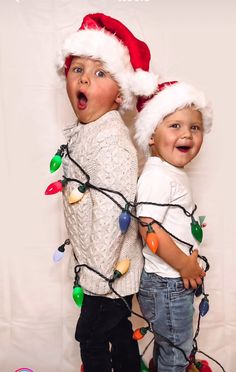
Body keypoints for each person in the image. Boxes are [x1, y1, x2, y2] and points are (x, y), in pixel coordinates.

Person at [56, 13, 158, 372]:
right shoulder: (83, 132)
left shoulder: (111, 143)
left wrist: (96, 278)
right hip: (99, 268)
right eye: (78, 68)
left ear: (119, 96)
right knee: (117, 331)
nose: (84, 77)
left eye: (100, 72)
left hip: (108, 271)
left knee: (91, 338)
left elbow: (113, 218)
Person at [134, 81, 213, 371]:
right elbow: (149, 228)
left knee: (173, 343)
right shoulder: (157, 177)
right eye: (175, 126)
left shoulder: (171, 172)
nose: (186, 134)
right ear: (152, 136)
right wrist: (183, 265)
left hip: (173, 281)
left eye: (194, 127)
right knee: (176, 348)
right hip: (167, 282)